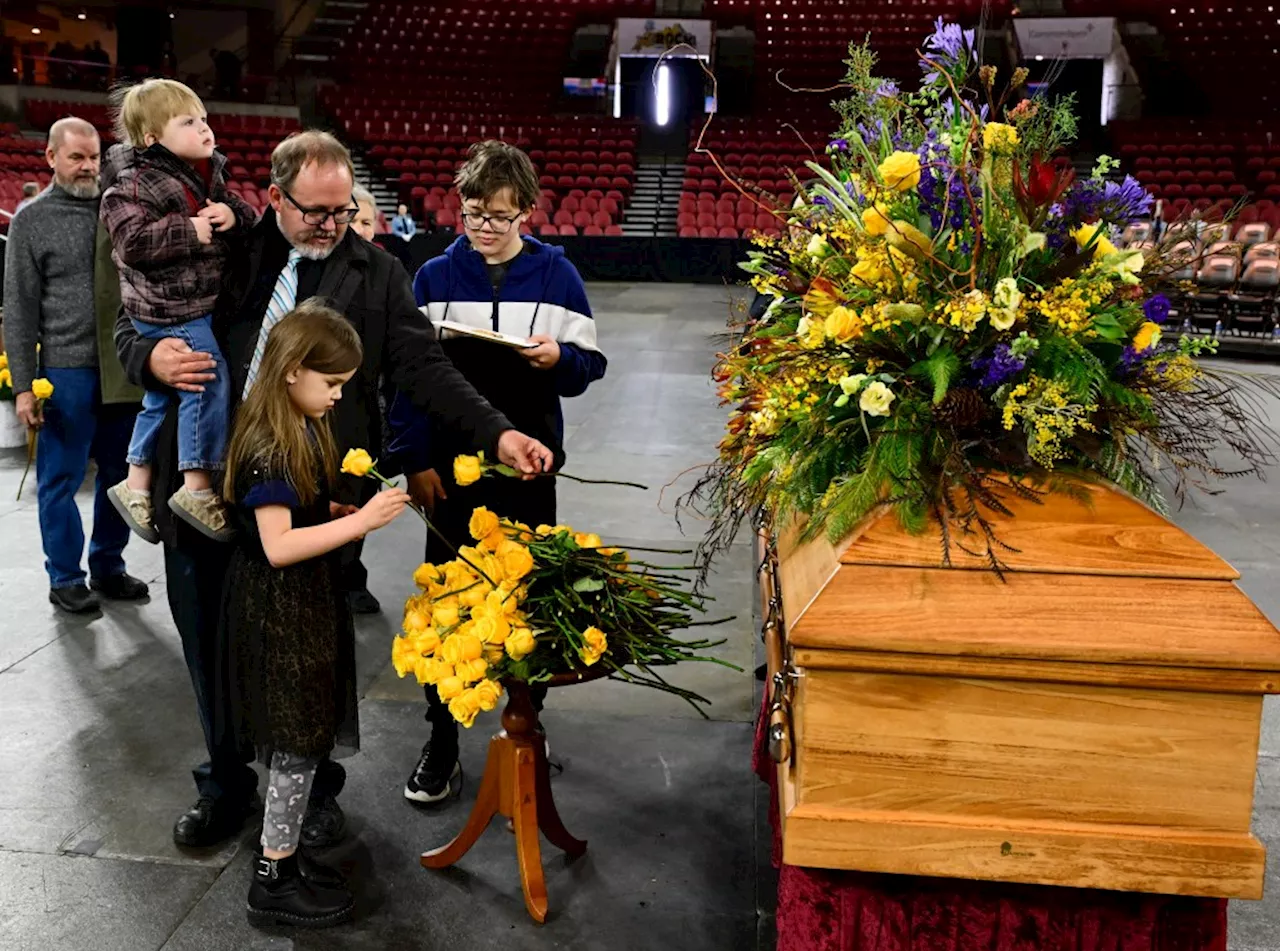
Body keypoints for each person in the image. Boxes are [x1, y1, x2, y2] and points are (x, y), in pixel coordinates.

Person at [114, 130, 553, 851]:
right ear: (274, 198)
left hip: (316, 492)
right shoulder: (227, 249)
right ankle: (225, 783)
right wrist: (149, 356)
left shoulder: (377, 272)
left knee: (307, 656)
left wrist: (498, 433)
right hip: (204, 484)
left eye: (342, 210)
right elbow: (142, 314)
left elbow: (424, 368)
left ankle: (314, 791)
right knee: (206, 643)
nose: (330, 224)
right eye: (313, 211)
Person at [389, 139, 606, 804]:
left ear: (528, 214)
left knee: (527, 600)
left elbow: (589, 367)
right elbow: (408, 380)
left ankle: (524, 726)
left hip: (529, 467)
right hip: (451, 474)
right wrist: (415, 461)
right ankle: (442, 738)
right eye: (473, 213)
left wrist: (558, 359)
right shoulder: (431, 278)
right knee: (446, 603)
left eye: (499, 216)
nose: (484, 228)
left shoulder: (559, 279)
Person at [221, 301, 409, 927]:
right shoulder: (272, 443)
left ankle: (290, 852)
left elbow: (288, 520)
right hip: (281, 611)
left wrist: (325, 514)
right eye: (330, 384)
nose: (336, 397)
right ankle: (273, 875)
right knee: (297, 744)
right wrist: (359, 520)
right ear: (294, 371)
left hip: (302, 604)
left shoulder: (297, 428)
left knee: (301, 740)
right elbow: (276, 546)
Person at [101, 78, 258, 545]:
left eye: (205, 119)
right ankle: (196, 488)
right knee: (206, 379)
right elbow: (131, 243)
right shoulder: (130, 184)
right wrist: (189, 230)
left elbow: (239, 215)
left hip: (192, 303)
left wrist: (233, 216)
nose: (205, 130)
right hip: (170, 309)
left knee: (162, 397)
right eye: (189, 122)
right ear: (152, 138)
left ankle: (135, 483)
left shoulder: (201, 173)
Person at [2, 117, 148, 614]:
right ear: (50, 158)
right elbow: (19, 309)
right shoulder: (30, 219)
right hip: (65, 372)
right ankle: (65, 576)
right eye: (76, 158)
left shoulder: (118, 209)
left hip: (124, 366)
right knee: (60, 480)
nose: (88, 167)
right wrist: (24, 386)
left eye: (94, 157)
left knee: (120, 478)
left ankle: (109, 566)